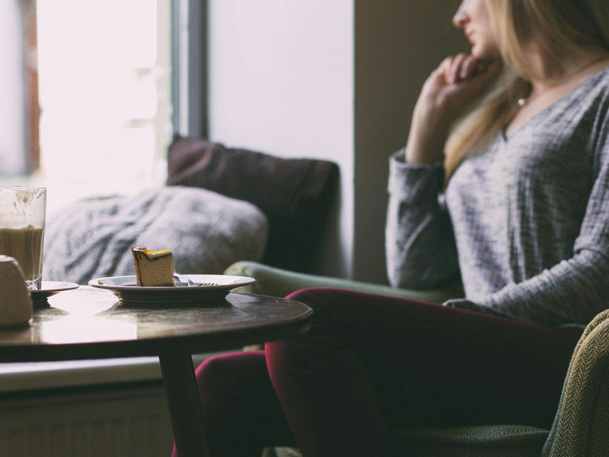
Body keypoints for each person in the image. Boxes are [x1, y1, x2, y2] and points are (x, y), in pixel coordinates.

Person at [172, 0, 609, 456]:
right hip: (478, 347)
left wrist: (470, 317)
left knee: (311, 319)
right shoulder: (499, 106)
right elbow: (416, 272)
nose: (459, 17)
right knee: (221, 382)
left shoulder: (601, 94)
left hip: (574, 355)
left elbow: (600, 270)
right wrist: (427, 130)